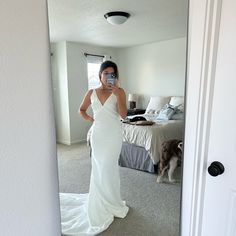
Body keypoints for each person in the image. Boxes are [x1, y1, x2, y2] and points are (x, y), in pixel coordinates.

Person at [59, 60, 129, 235]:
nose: (108, 77)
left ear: (116, 77)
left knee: (110, 167)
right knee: (99, 168)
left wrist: (119, 94)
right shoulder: (91, 92)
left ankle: (112, 200)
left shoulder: (119, 92)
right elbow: (81, 110)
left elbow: (123, 115)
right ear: (100, 75)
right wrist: (91, 120)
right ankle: (100, 201)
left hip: (113, 136)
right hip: (98, 136)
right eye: (105, 73)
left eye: (112, 74)